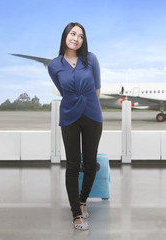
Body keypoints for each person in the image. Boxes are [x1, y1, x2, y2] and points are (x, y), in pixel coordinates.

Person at [48, 22, 103, 231]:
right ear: (65, 36)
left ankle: (82, 200)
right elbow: (62, 88)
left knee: (89, 163)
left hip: (92, 114)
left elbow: (97, 89)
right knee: (72, 165)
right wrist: (75, 101)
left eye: (81, 36)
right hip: (69, 115)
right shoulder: (54, 65)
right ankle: (76, 213)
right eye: (73, 34)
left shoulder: (91, 59)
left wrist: (87, 104)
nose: (76, 39)